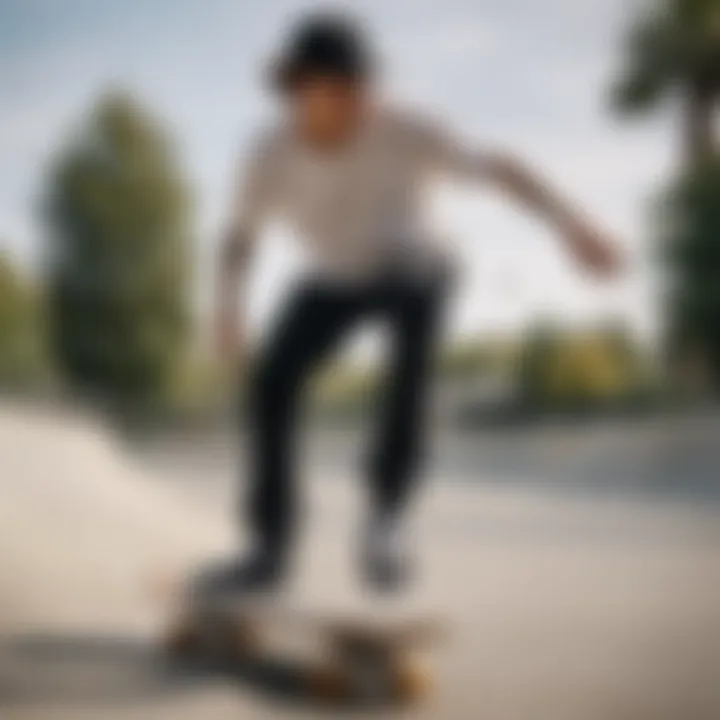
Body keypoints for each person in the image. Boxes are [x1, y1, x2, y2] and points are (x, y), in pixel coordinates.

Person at [205, 12, 622, 595]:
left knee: (413, 342)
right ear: (300, 90)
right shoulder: (267, 154)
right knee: (272, 382)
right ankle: (269, 547)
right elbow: (240, 237)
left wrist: (571, 225)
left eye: (365, 88)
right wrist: (227, 310)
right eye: (343, 91)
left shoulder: (406, 126)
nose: (361, 104)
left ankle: (386, 517)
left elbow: (499, 169)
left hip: (416, 263)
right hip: (333, 276)